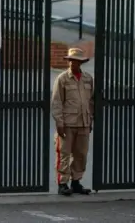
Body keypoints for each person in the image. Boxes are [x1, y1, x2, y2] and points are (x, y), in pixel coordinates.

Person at [51, 48, 94, 196]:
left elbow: (91, 101)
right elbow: (57, 102)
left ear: (81, 62)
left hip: (83, 122)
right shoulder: (62, 79)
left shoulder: (88, 78)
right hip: (68, 123)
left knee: (81, 154)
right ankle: (62, 183)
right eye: (70, 60)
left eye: (75, 60)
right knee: (64, 153)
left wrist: (91, 119)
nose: (72, 63)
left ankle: (76, 182)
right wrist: (59, 122)